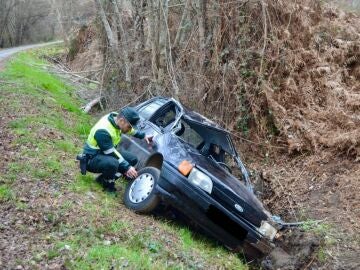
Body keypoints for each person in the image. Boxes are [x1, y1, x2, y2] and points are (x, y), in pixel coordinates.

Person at [82, 107, 153, 192]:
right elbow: (110, 152)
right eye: (129, 127)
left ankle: (102, 180)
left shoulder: (117, 119)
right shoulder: (102, 130)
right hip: (92, 158)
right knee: (114, 163)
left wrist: (143, 136)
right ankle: (108, 186)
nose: (130, 129)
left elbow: (131, 130)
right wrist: (127, 167)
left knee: (132, 159)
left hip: (105, 153)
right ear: (122, 120)